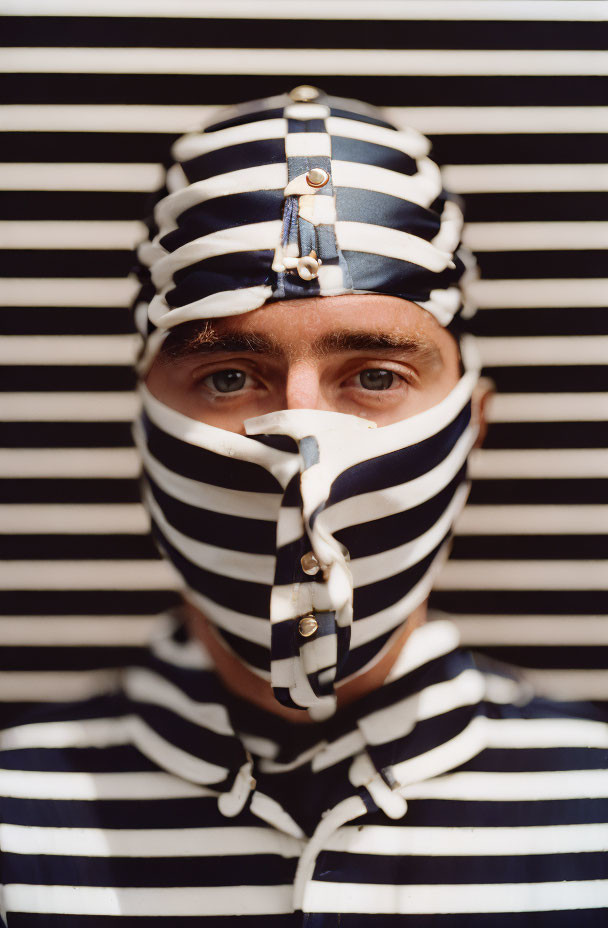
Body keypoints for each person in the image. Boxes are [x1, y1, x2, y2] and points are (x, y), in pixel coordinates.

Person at [0, 87, 606, 924]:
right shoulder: (18, 818)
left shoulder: (593, 802)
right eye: (227, 376)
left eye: (375, 375)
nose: (300, 439)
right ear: (143, 421)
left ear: (472, 422)